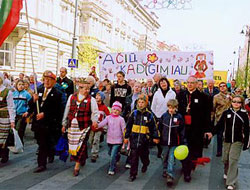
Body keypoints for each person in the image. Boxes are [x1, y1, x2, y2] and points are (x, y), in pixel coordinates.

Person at [62, 79, 99, 176]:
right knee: (74, 144)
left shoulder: (92, 100)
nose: (87, 91)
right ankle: (82, 158)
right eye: (84, 89)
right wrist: (64, 123)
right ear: (79, 88)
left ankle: (76, 166)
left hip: (84, 126)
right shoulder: (72, 97)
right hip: (72, 126)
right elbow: (67, 110)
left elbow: (95, 112)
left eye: (88, 89)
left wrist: (94, 121)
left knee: (81, 144)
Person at [28, 70, 62, 173]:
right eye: (45, 79)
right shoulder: (39, 89)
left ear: (54, 81)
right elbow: (31, 105)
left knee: (44, 143)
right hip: (38, 122)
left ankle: (41, 164)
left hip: (49, 123)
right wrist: (33, 99)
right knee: (41, 141)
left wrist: (45, 114)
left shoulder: (57, 94)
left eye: (49, 80)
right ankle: (50, 151)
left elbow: (57, 110)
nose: (46, 81)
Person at [180, 76, 212, 182]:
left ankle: (187, 171)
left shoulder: (204, 97)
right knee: (183, 148)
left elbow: (207, 115)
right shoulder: (181, 94)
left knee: (193, 150)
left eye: (192, 83)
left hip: (196, 128)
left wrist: (208, 130)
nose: (189, 84)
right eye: (188, 82)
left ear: (196, 84)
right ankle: (186, 166)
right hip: (183, 127)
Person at [214, 95, 249, 190]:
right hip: (227, 140)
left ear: (241, 104)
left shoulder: (244, 114)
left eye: (238, 102)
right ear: (231, 102)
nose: (236, 103)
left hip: (238, 141)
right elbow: (219, 125)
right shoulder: (226, 113)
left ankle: (231, 182)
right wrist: (211, 132)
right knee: (225, 159)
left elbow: (247, 130)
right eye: (234, 101)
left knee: (233, 160)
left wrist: (246, 143)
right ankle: (226, 172)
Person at [124, 94, 159, 182]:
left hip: (144, 140)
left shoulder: (149, 115)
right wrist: (126, 136)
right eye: (139, 102)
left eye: (142, 102)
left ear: (146, 103)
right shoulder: (134, 113)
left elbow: (154, 127)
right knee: (134, 157)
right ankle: (133, 174)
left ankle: (145, 164)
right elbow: (128, 126)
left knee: (144, 155)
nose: (140, 104)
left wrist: (155, 137)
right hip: (134, 139)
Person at [158, 99, 186, 186]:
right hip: (165, 142)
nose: (171, 109)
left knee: (171, 158)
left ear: (176, 108)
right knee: (164, 156)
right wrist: (157, 137)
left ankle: (170, 175)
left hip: (174, 142)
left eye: (173, 108)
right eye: (170, 107)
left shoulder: (179, 117)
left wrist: (183, 141)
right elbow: (160, 128)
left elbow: (182, 130)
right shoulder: (164, 116)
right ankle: (165, 169)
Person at [97, 101, 126, 175]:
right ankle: (117, 156)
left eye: (117, 110)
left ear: (120, 111)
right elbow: (102, 123)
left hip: (118, 140)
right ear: (111, 110)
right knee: (110, 153)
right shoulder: (108, 117)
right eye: (114, 109)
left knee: (112, 155)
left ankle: (111, 168)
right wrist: (96, 126)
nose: (115, 111)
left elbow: (123, 129)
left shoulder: (121, 119)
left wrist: (125, 137)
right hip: (109, 139)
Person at [151, 77, 176, 158]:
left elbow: (174, 104)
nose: (163, 84)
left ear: (167, 83)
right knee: (158, 134)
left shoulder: (172, 93)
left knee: (167, 134)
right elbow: (153, 106)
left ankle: (167, 151)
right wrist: (154, 117)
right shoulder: (157, 93)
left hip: (169, 116)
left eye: (164, 82)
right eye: (161, 83)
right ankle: (160, 150)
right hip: (158, 116)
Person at [89, 91, 110, 162]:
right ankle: (94, 149)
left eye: (99, 96)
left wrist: (105, 126)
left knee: (96, 139)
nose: (97, 97)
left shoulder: (104, 107)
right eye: (96, 95)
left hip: (99, 126)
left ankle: (94, 154)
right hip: (92, 126)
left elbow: (108, 117)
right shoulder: (93, 106)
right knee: (90, 140)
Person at [212, 82, 232, 157]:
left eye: (224, 86)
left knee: (228, 135)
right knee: (219, 135)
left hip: (230, 118)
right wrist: (212, 119)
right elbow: (213, 108)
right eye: (221, 86)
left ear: (227, 87)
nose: (223, 87)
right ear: (219, 88)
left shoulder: (231, 95)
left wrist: (231, 99)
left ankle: (228, 151)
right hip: (220, 117)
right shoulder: (216, 97)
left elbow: (237, 103)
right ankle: (219, 150)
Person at [0, 72, 15, 163]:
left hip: (4, 118)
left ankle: (4, 154)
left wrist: (12, 120)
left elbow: (11, 107)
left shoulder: (7, 92)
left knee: (2, 138)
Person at [13, 79, 32, 144]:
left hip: (22, 115)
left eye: (22, 84)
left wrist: (27, 112)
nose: (21, 86)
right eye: (19, 84)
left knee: (20, 131)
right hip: (14, 115)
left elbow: (30, 105)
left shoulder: (27, 94)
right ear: (16, 85)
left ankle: (20, 145)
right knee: (13, 130)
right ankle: (14, 143)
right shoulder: (13, 94)